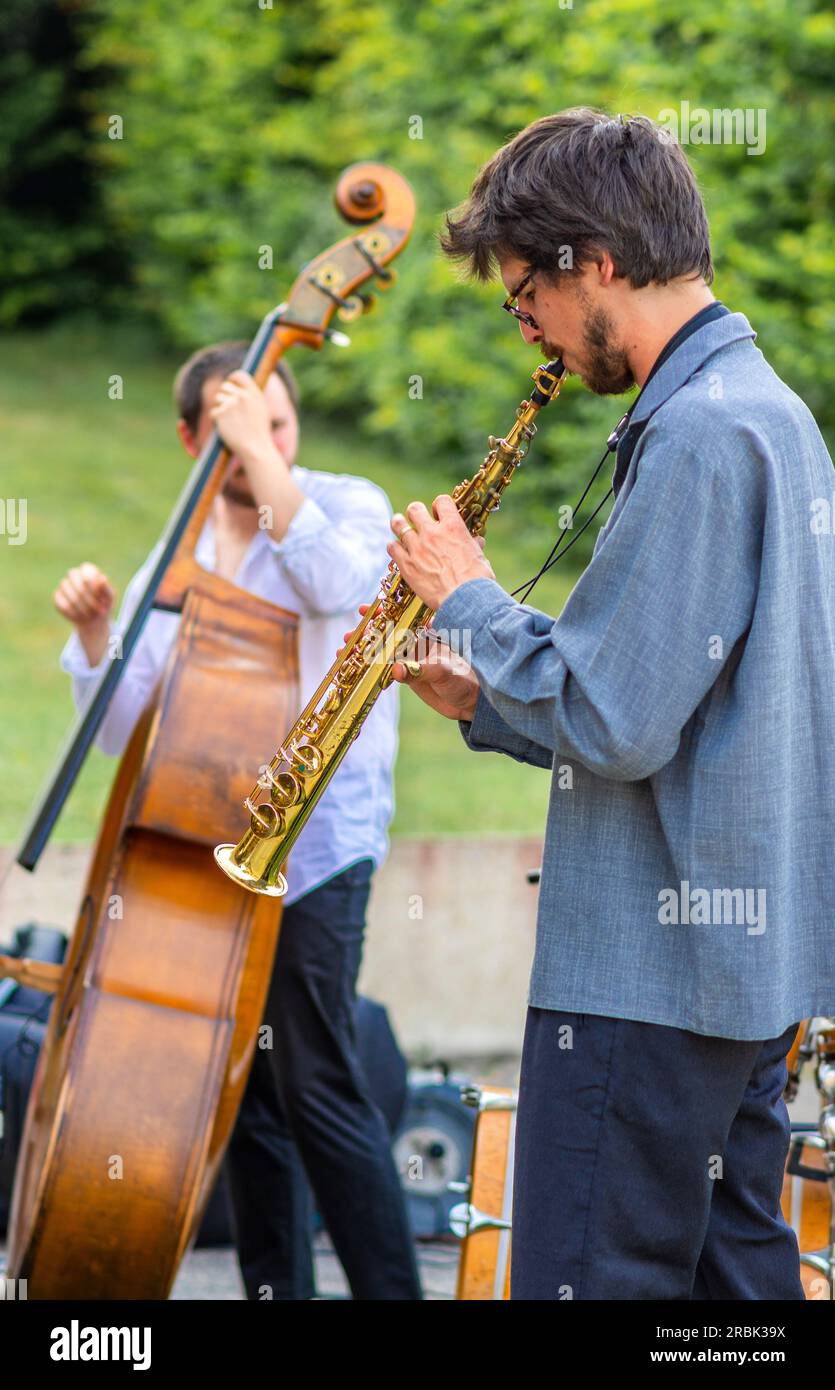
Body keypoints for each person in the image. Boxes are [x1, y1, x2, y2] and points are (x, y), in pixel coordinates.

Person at [380, 109, 835, 1300]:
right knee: (741, 1294)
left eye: (524, 289)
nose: (523, 321)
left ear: (593, 261)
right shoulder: (770, 414)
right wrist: (485, 696)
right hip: (744, 978)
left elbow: (619, 721)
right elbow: (674, 701)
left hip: (644, 982)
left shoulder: (693, 433)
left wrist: (469, 600)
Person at [54, 342, 422, 1301]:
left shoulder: (346, 504)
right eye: (235, 437)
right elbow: (127, 730)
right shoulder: (175, 553)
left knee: (317, 1084)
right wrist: (95, 638)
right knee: (246, 1097)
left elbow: (338, 587)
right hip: (208, 856)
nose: (269, 448)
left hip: (319, 844)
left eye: (282, 427)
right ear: (190, 440)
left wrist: (260, 457)